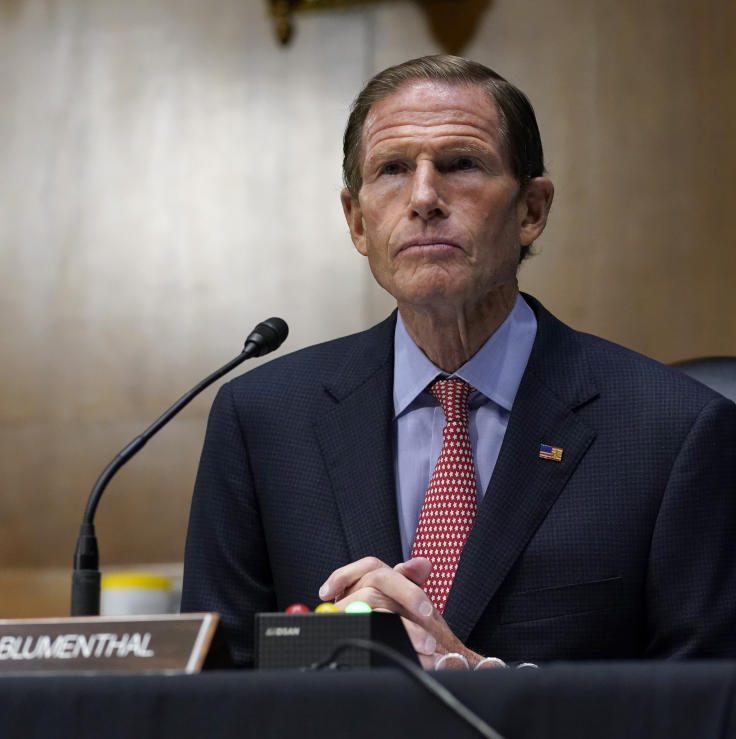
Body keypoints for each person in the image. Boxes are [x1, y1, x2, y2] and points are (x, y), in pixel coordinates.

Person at [180, 55, 736, 668]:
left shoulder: (674, 431)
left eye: (460, 164)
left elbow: (701, 707)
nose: (423, 197)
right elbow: (218, 688)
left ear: (531, 210)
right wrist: (334, 663)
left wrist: (484, 686)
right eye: (392, 169)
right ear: (357, 221)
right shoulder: (261, 420)